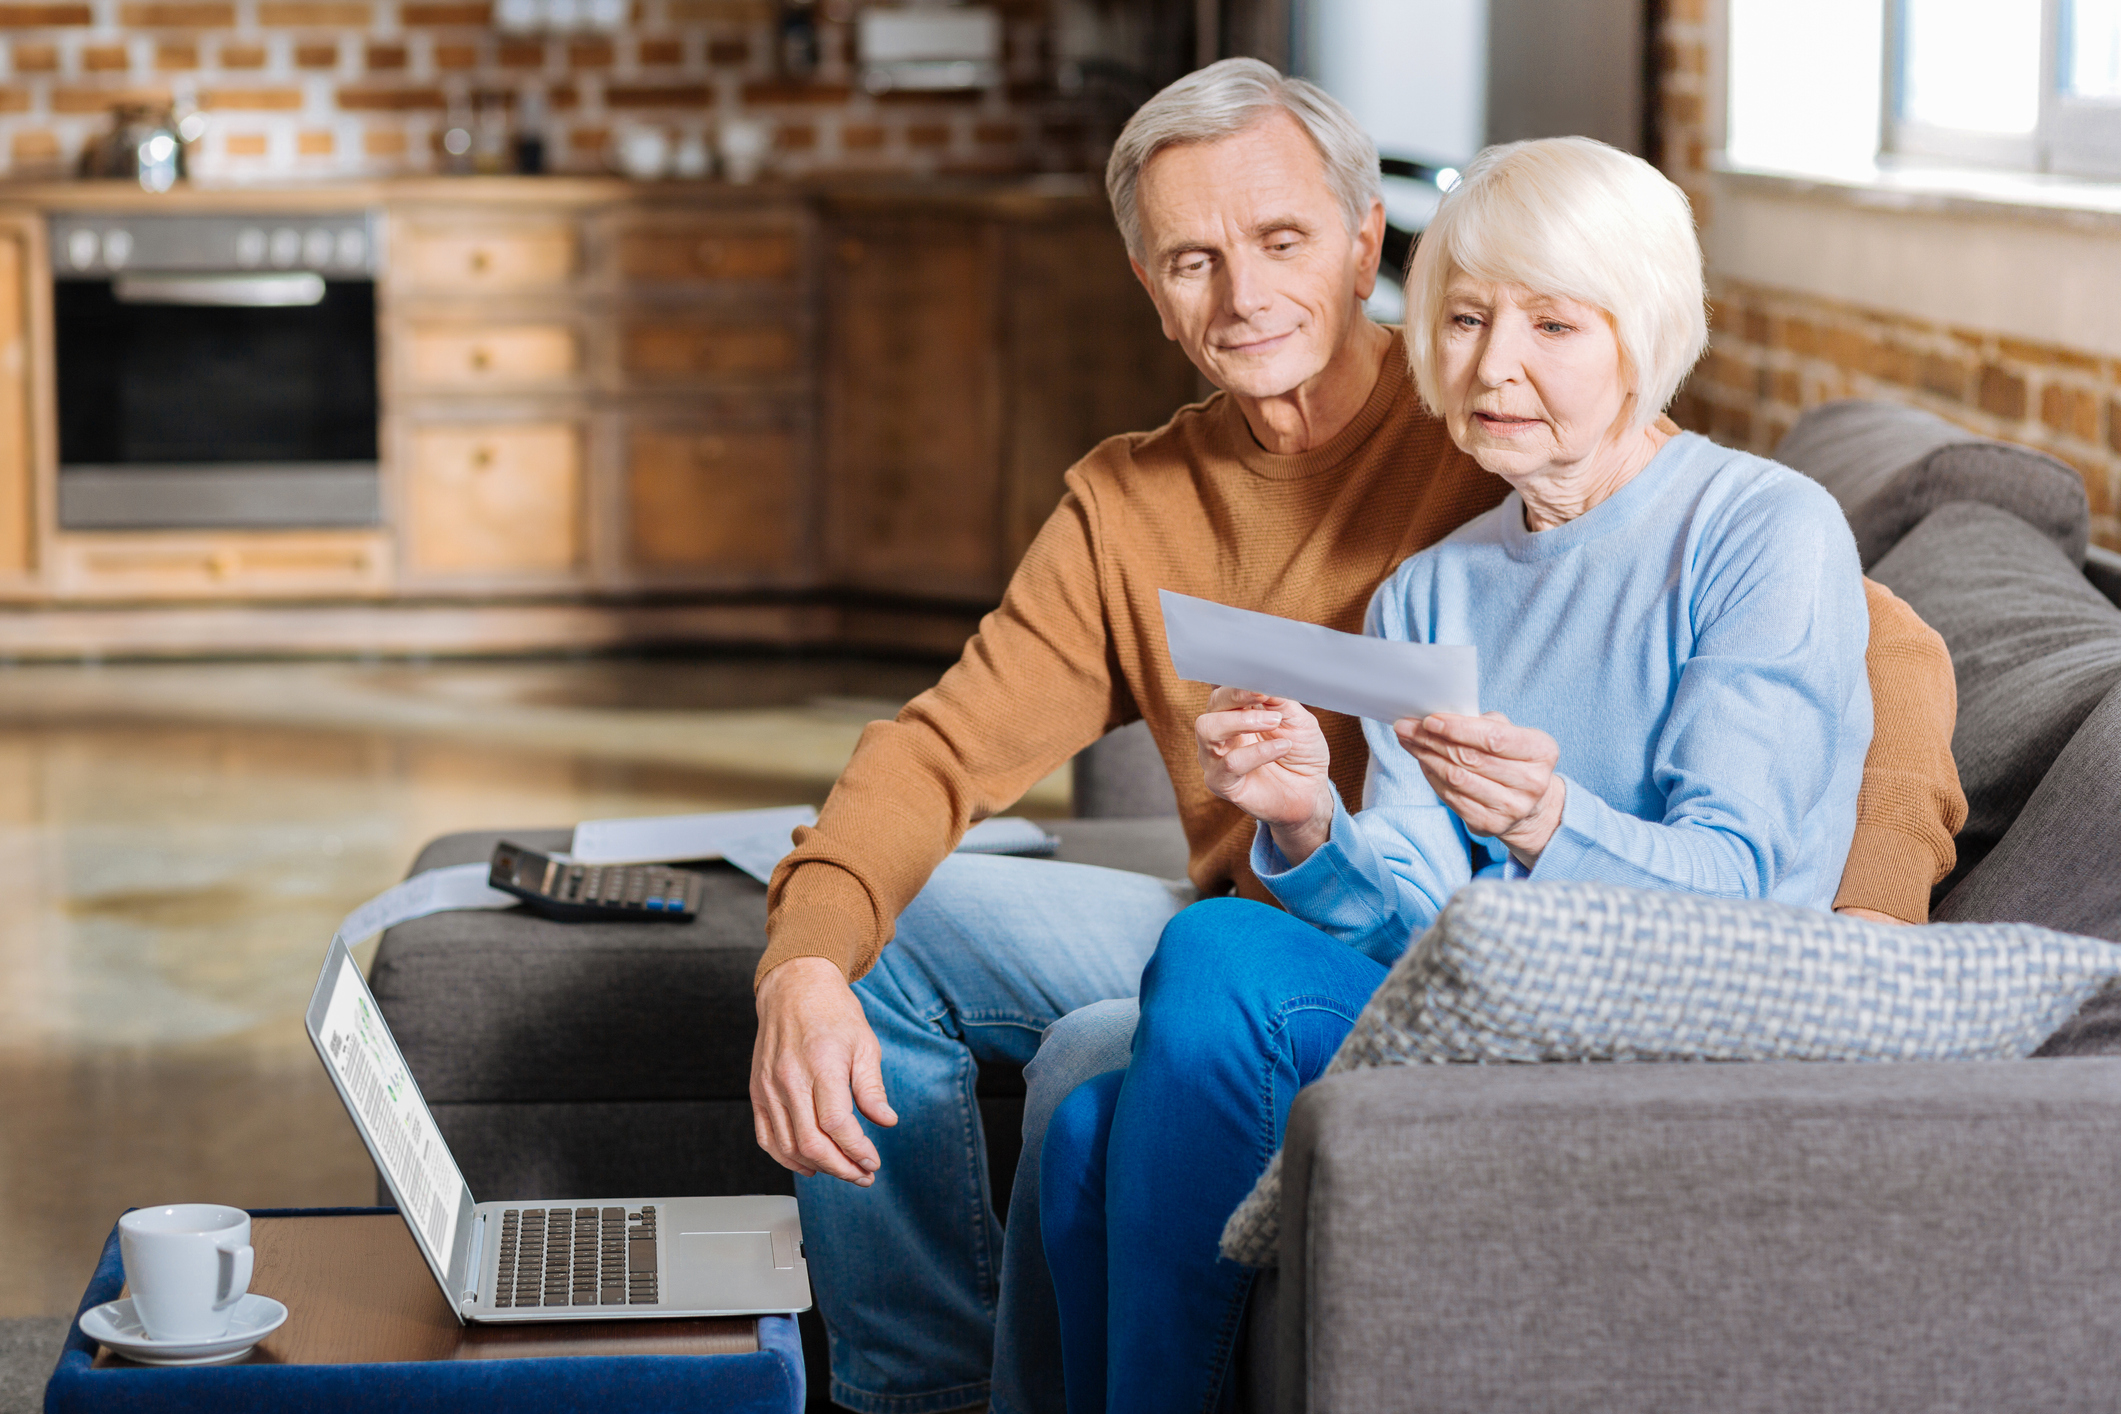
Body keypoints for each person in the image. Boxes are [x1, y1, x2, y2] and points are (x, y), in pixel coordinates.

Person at [750, 61, 1964, 1414]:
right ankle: (914, 1392)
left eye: (1279, 241)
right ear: (1150, 289)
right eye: (1191, 260)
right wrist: (799, 959)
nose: (1246, 294)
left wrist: (1865, 947)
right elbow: (941, 747)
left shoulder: (1496, 430)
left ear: (1355, 245)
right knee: (870, 935)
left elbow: (1889, 651)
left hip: (1452, 953)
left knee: (1099, 1063)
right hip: (1321, 909)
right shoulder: (1176, 511)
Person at [1038, 134, 1882, 1414]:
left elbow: (1749, 894)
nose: (1496, 366)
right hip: (1469, 1009)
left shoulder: (1762, 530)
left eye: (1554, 323)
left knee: (1215, 952)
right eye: (1470, 318)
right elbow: (1414, 912)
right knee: (1084, 1132)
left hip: (1647, 1028)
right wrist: (1312, 823)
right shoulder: (1436, 586)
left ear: (1641, 332)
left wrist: (1550, 820)